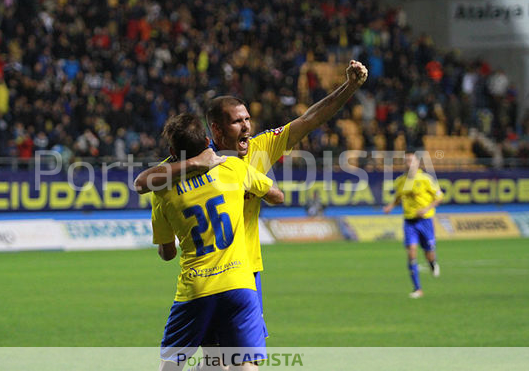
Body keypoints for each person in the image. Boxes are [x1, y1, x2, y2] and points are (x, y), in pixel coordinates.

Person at [136, 61, 367, 351]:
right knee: (225, 360)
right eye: (237, 121)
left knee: (230, 359)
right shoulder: (191, 163)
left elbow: (309, 119)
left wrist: (349, 88)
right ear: (216, 130)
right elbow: (144, 182)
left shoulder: (259, 148)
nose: (246, 126)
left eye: (247, 119)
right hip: (209, 278)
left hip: (246, 273)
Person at [152, 113, 284, 371]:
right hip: (239, 283)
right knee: (242, 364)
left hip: (196, 288)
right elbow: (276, 196)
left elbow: (167, 253)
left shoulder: (163, 190)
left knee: (172, 364)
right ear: (207, 141)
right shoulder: (233, 168)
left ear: (171, 151)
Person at [383, 151, 443, 298]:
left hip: (425, 221)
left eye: (411, 161)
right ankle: (418, 288)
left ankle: (432, 262)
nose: (408, 163)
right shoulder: (400, 181)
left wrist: (426, 209)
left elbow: (439, 197)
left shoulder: (425, 179)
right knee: (411, 253)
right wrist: (391, 206)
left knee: (428, 252)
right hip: (409, 222)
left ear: (417, 163)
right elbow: (398, 197)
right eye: (406, 161)